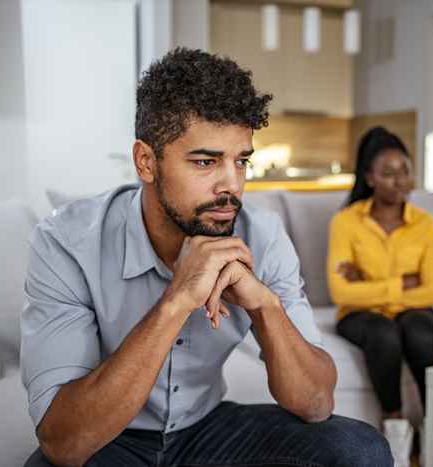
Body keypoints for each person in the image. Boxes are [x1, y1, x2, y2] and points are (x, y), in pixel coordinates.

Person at [22, 48, 392, 467]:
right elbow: (63, 443)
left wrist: (264, 305)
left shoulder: (263, 237)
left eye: (242, 161)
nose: (231, 186)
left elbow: (316, 403)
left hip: (207, 429)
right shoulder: (66, 243)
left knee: (359, 450)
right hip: (112, 440)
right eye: (205, 161)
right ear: (146, 161)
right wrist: (177, 300)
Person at [327, 127, 433, 461]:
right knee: (384, 333)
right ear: (370, 177)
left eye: (405, 171)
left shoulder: (425, 223)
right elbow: (340, 291)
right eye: (388, 173)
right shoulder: (346, 222)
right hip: (357, 316)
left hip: (411, 310)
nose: (399, 180)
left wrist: (369, 285)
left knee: (420, 333)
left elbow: (431, 291)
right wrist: (399, 285)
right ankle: (396, 430)